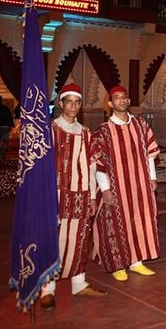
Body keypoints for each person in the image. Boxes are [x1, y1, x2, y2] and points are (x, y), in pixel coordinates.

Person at [40, 84, 106, 310]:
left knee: (79, 239)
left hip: (81, 195)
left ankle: (79, 283)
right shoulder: (49, 131)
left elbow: (92, 166)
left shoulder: (86, 133)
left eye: (77, 102)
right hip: (55, 195)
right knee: (54, 239)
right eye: (69, 101)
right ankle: (47, 289)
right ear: (60, 104)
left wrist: (92, 195)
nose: (73, 106)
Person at [91, 85, 160, 281]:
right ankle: (117, 265)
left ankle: (137, 261)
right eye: (117, 98)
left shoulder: (140, 125)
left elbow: (150, 155)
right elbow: (99, 163)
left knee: (140, 220)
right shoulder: (103, 131)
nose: (121, 100)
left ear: (129, 101)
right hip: (115, 187)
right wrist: (105, 189)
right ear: (110, 103)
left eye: (124, 97)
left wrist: (152, 177)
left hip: (140, 184)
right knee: (115, 223)